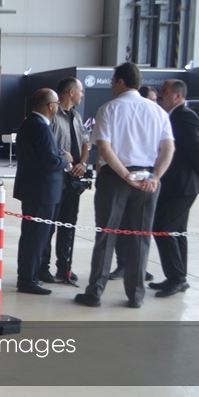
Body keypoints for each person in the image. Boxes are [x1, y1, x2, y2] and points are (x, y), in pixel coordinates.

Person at [75, 62, 175, 309]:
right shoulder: (158, 111)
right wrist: (155, 177)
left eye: (112, 82)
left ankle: (95, 291)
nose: (111, 87)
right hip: (147, 179)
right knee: (140, 239)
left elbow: (105, 147)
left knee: (106, 235)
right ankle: (136, 295)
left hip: (115, 179)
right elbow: (168, 148)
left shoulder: (109, 108)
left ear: (120, 82)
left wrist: (124, 175)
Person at [150, 80, 199, 297]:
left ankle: (177, 277)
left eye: (164, 91)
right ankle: (177, 276)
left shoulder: (185, 116)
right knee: (177, 231)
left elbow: (195, 147)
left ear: (177, 96)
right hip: (176, 184)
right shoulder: (170, 116)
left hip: (184, 185)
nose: (160, 95)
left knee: (162, 227)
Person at [14, 89, 71, 295]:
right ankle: (28, 279)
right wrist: (66, 159)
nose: (58, 106)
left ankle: (28, 276)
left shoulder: (28, 123)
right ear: (50, 105)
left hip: (33, 190)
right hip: (42, 192)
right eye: (56, 103)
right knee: (36, 238)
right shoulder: (40, 127)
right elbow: (50, 162)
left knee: (31, 236)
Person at [38, 77, 91, 286]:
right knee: (49, 225)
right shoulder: (52, 116)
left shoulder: (77, 117)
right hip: (55, 179)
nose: (82, 94)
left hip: (74, 181)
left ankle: (65, 267)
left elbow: (86, 142)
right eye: (80, 91)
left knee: (69, 225)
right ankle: (43, 268)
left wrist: (83, 164)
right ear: (71, 92)